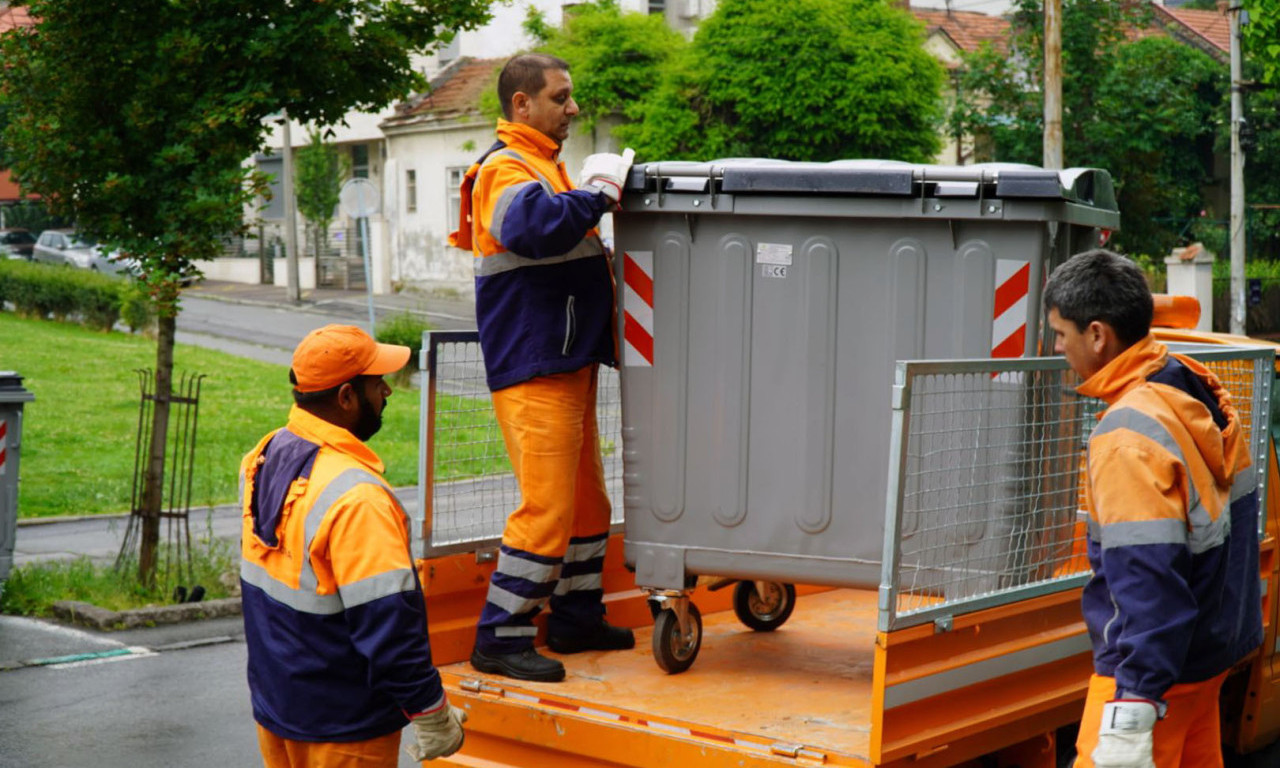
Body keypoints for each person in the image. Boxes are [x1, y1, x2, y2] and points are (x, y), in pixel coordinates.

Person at [448, 53, 636, 683]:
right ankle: (499, 637)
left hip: (563, 360)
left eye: (571, 97)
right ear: (521, 104)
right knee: (548, 508)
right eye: (560, 98)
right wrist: (597, 193)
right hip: (534, 365)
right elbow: (534, 230)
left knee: (587, 502)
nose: (573, 108)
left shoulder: (544, 167)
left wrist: (584, 193)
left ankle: (576, 617)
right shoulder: (506, 169)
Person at [1043, 250, 1262, 768]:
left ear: (1097, 335)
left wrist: (1135, 703)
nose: (1057, 347)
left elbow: (1148, 576)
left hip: (1149, 683)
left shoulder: (1126, 437)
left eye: (1060, 333)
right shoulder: (1188, 385)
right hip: (1207, 659)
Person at [239, 324, 466, 766]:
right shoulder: (358, 499)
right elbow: (388, 626)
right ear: (345, 397)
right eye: (376, 383)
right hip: (344, 728)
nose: (386, 391)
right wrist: (431, 712)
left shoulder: (265, 454)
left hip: (278, 706)